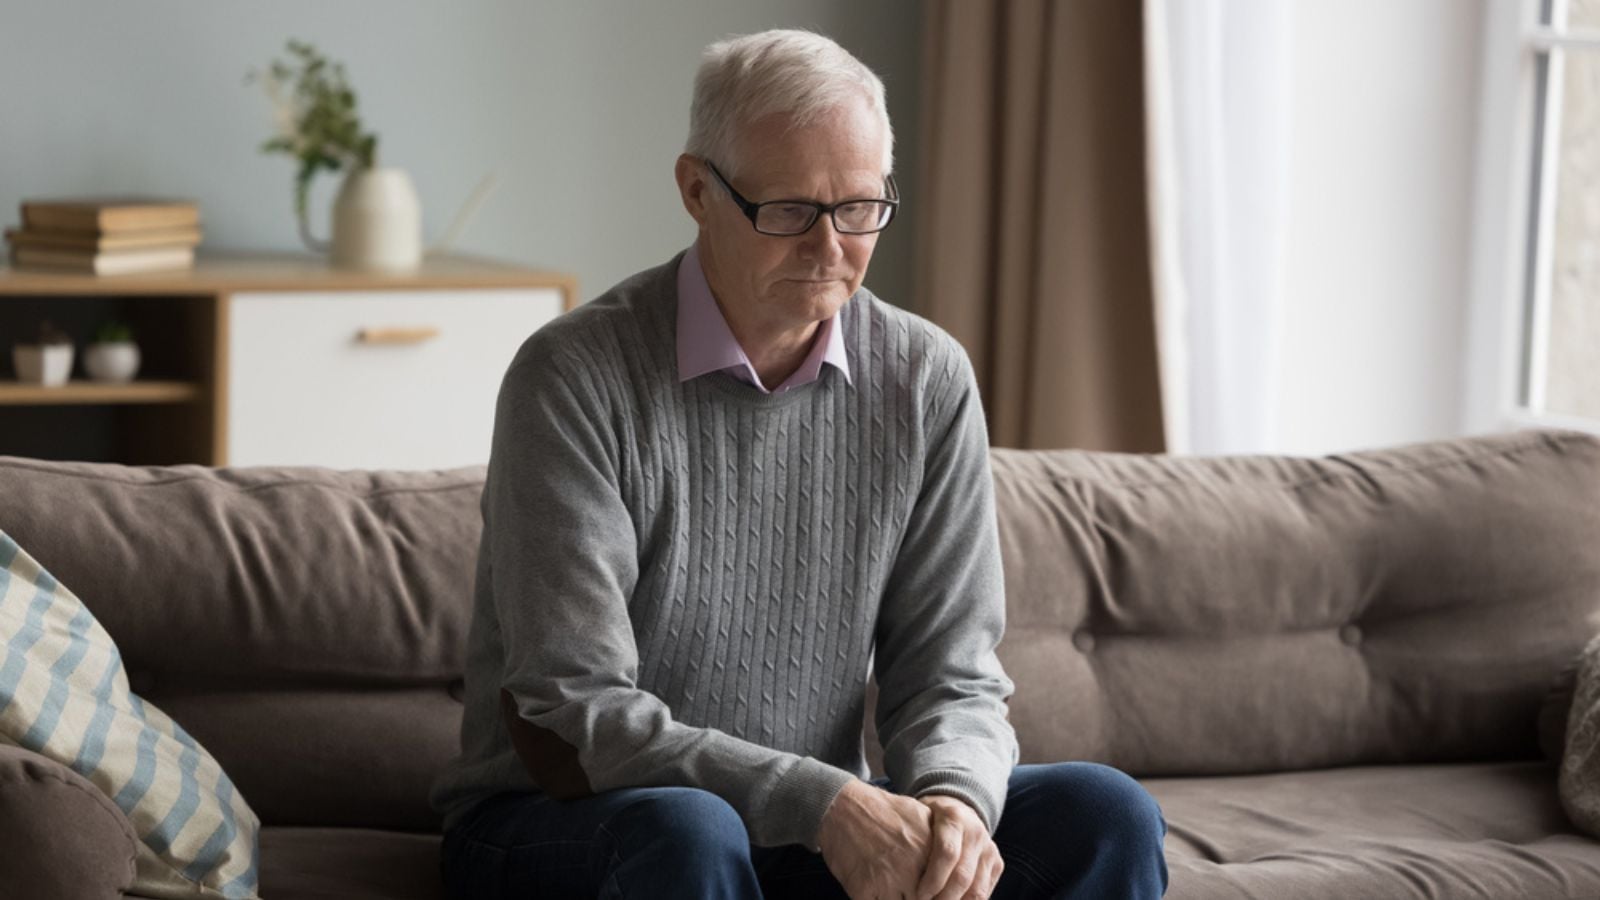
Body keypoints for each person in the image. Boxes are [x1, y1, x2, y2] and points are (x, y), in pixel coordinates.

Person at [431, 28, 1168, 900]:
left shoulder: (927, 380)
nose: (829, 248)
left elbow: (953, 677)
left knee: (1105, 812)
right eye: (788, 210)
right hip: (567, 819)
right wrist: (823, 804)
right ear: (697, 190)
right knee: (692, 829)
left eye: (859, 208)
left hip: (810, 825)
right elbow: (572, 713)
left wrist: (954, 805)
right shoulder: (572, 377)